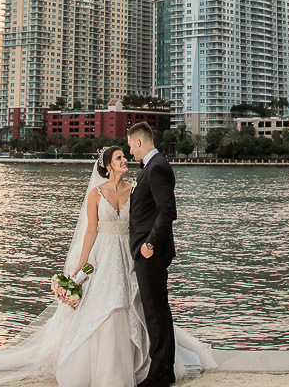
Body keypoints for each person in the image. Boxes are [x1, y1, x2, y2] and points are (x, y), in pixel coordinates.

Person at [0, 144, 214, 387]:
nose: (125, 159)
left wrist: (149, 247)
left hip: (129, 254)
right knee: (107, 307)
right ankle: (108, 371)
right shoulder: (96, 194)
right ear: (108, 164)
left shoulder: (135, 188)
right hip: (104, 256)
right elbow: (91, 232)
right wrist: (80, 269)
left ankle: (144, 364)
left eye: (126, 156)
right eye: (119, 157)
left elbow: (146, 219)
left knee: (136, 306)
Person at [126, 123, 175, 387]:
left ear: (139, 142)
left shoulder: (156, 167)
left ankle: (158, 377)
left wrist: (150, 244)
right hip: (150, 250)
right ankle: (166, 372)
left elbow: (168, 211)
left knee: (155, 314)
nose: (129, 151)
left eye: (130, 145)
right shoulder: (154, 166)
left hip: (151, 252)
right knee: (159, 311)